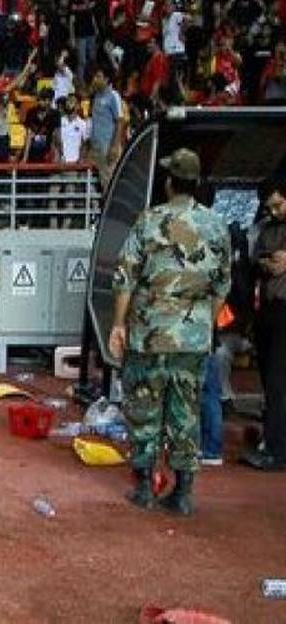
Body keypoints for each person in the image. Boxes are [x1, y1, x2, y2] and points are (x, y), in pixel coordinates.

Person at [109, 149, 232, 515]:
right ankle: (183, 493)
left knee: (144, 407)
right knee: (186, 412)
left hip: (149, 334)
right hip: (192, 338)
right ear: (196, 183)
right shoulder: (216, 225)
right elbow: (221, 286)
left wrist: (118, 324)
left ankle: (145, 487)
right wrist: (202, 324)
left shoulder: (149, 221)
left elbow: (125, 278)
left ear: (169, 183)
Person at [244, 176, 286, 471]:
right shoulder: (267, 228)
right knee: (272, 383)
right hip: (270, 310)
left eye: (279, 205)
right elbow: (255, 257)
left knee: (277, 382)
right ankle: (272, 442)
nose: (274, 211)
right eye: (270, 207)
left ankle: (277, 450)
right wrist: (265, 263)